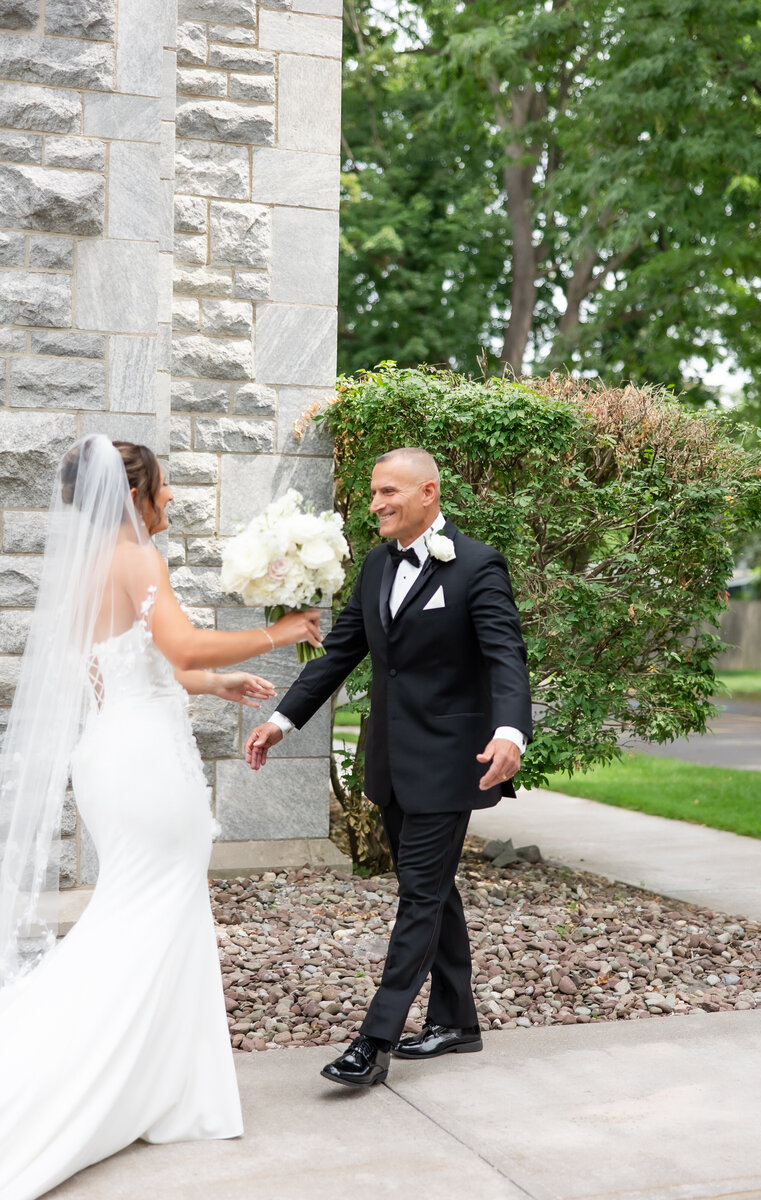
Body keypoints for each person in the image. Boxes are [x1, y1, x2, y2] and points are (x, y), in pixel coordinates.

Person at [0, 435, 321, 1200]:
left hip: (115, 750)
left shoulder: (87, 568)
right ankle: (67, 1068)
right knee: (144, 914)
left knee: (151, 910)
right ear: (135, 493)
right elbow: (178, 640)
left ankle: (168, 1087)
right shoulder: (135, 556)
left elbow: (155, 662)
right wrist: (283, 630)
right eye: (167, 487)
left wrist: (215, 684)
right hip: (143, 760)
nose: (173, 497)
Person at [245, 447, 532, 1087]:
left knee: (419, 896)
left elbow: (505, 657)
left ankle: (374, 1041)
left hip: (451, 764)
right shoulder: (377, 564)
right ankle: (458, 1021)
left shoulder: (477, 566)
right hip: (392, 764)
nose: (375, 504)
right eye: (374, 493)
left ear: (428, 492)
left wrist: (511, 730)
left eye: (388, 492)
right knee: (434, 893)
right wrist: (282, 720)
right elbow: (338, 653)